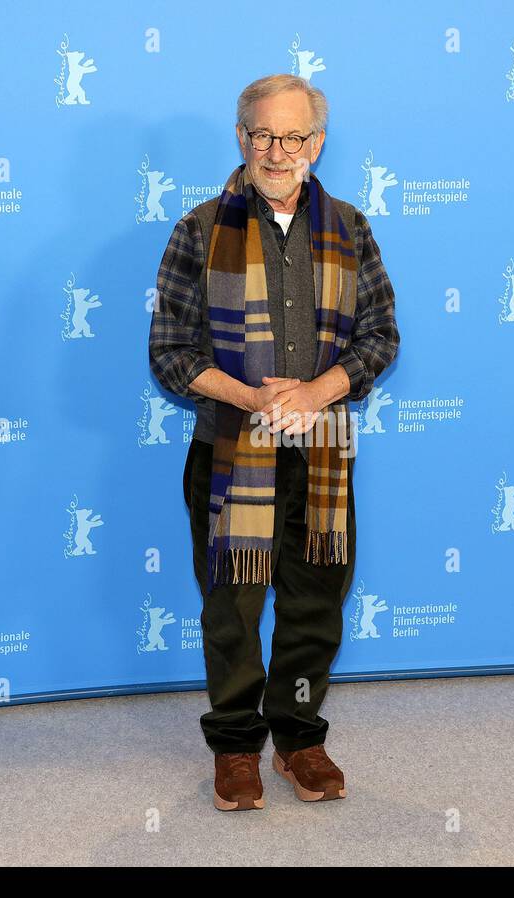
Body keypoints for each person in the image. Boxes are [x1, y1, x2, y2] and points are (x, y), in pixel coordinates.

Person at [148, 74, 399, 811]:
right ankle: (233, 747)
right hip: (229, 455)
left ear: (317, 144)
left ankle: (297, 736)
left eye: (294, 136)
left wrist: (319, 392)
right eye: (263, 134)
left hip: (323, 454)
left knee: (316, 604)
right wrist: (253, 398)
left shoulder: (351, 228)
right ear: (241, 138)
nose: (277, 150)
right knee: (231, 609)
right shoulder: (199, 229)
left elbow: (382, 336)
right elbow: (169, 352)